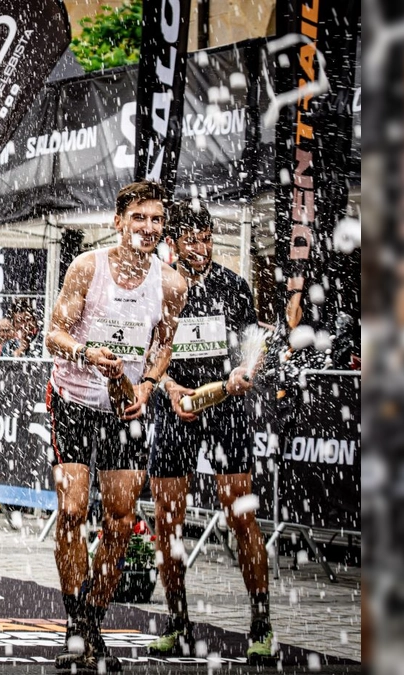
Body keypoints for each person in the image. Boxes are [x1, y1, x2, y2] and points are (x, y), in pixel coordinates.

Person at [43, 181, 187, 672]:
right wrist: (87, 353)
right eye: (139, 219)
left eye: (156, 220)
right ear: (118, 222)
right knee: (72, 510)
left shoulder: (171, 283)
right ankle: (74, 625)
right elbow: (53, 335)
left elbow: (163, 345)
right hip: (75, 401)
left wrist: (147, 385)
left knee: (121, 520)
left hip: (125, 410)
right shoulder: (88, 267)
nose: (148, 229)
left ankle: (93, 620)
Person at [144, 201, 275, 662]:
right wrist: (168, 385)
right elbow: (144, 351)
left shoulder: (233, 285)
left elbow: (254, 340)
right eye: (191, 239)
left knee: (241, 513)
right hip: (175, 405)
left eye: (207, 238)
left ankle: (261, 625)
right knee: (167, 521)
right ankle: (177, 623)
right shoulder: (157, 283)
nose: (201, 248)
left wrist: (246, 368)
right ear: (173, 242)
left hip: (225, 405)